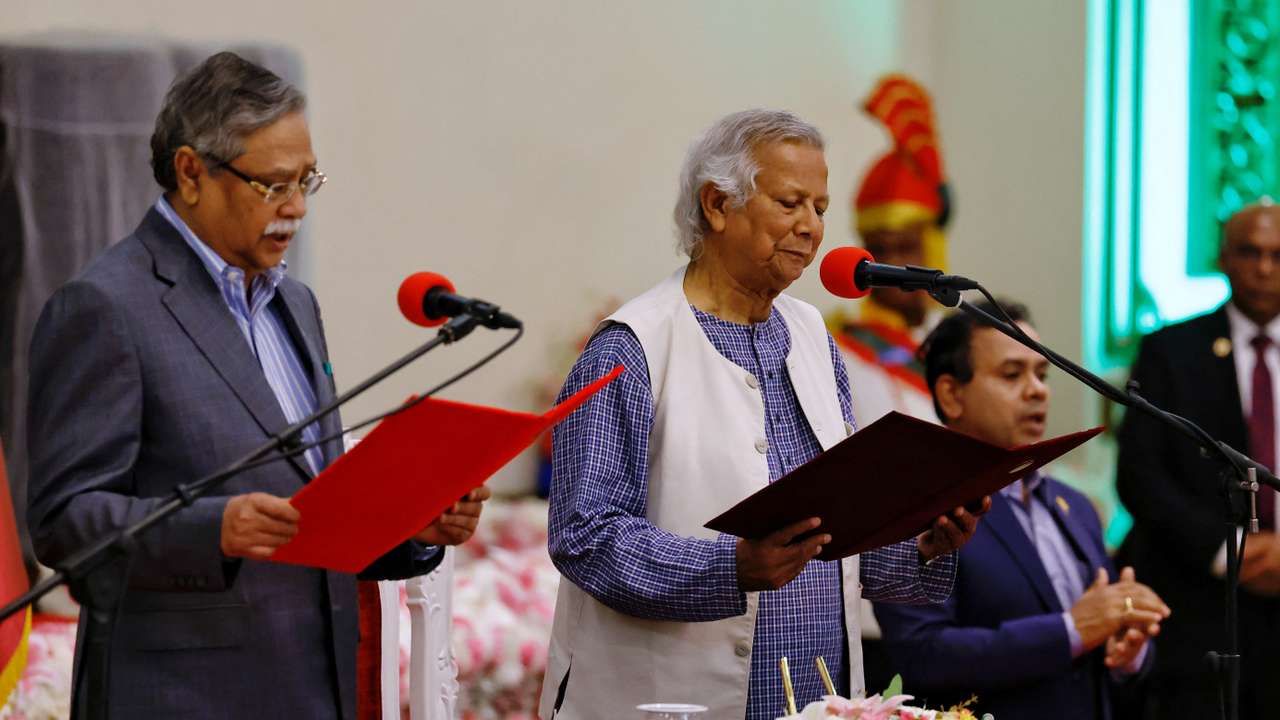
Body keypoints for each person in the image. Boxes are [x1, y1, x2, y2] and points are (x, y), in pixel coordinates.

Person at [25, 51, 489, 719]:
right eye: (273, 185)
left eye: (307, 180)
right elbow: (64, 523)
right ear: (191, 172)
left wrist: (413, 527)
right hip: (181, 699)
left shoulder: (294, 303)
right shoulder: (106, 307)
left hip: (312, 688)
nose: (296, 208)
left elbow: (315, 515)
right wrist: (213, 529)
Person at [538, 109, 987, 720]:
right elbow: (586, 537)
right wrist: (732, 568)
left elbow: (832, 537)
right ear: (719, 204)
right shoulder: (630, 346)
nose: (812, 228)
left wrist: (923, 545)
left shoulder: (811, 337)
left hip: (819, 699)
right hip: (672, 698)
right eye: (791, 203)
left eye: (821, 209)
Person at [873, 300, 1169, 720]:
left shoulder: (1075, 507)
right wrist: (1071, 630)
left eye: (1042, 374)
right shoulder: (919, 508)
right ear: (951, 395)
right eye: (1012, 375)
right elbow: (923, 652)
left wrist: (1128, 652)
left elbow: (1100, 642)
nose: (1038, 390)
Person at [1117, 201, 1280, 717]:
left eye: (1278, 255)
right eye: (1249, 252)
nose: (1263, 268)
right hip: (1198, 607)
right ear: (1224, 258)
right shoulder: (1172, 349)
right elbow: (1140, 475)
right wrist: (1228, 548)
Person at [829, 74, 950, 428]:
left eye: (907, 247)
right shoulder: (841, 349)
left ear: (933, 246)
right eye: (879, 249)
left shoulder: (964, 340)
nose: (893, 263)